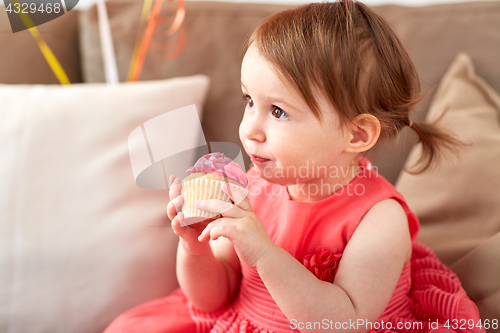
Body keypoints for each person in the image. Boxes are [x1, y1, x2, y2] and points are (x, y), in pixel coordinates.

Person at [104, 1, 485, 332]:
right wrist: (194, 250)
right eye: (249, 101)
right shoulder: (251, 186)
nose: (250, 129)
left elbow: (343, 323)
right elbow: (211, 300)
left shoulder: (380, 220)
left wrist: (263, 252)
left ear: (356, 135)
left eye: (279, 111)